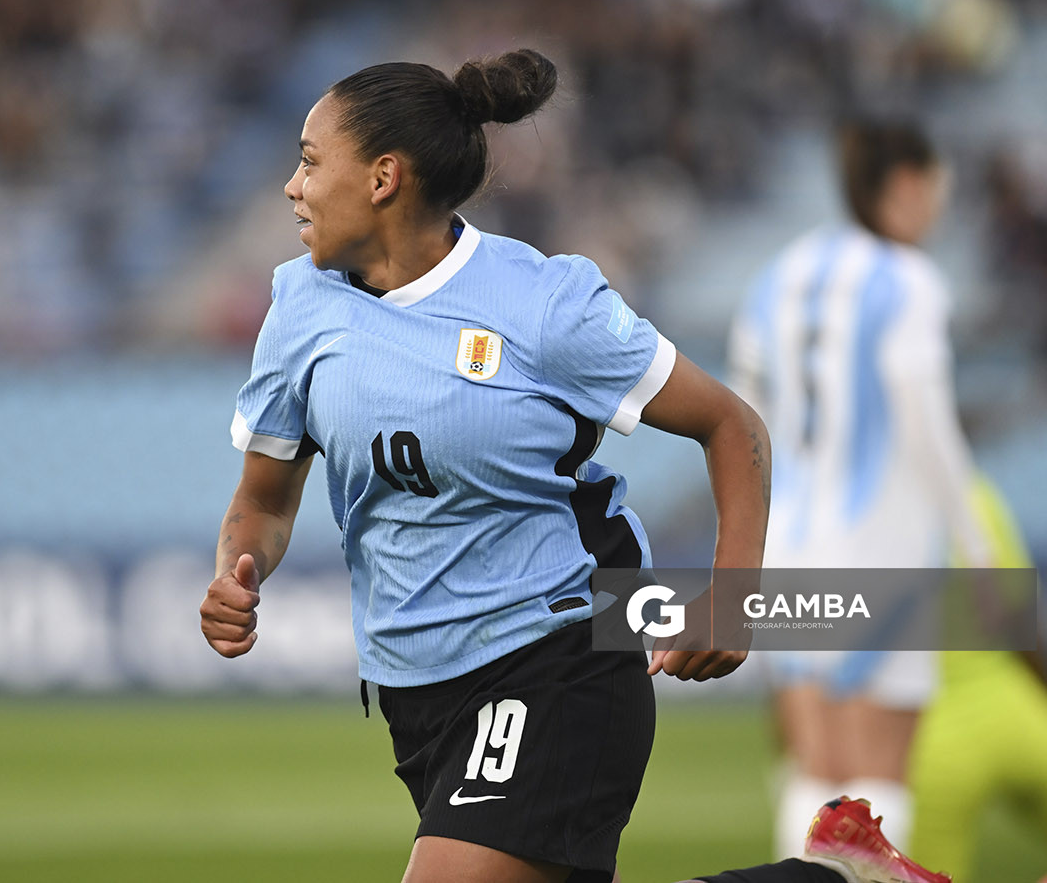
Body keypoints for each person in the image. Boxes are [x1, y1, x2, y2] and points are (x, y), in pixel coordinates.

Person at [199, 50, 951, 883]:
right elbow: (262, 503)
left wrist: (733, 598)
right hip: (416, 690)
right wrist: (238, 570)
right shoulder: (300, 307)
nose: (292, 186)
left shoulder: (543, 303)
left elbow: (731, 424)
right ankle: (841, 879)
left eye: (309, 161)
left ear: (384, 177)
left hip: (560, 652)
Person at [726, 119, 991, 859]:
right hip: (883, 545)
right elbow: (925, 416)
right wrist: (978, 545)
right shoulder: (908, 278)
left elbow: (743, 415)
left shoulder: (777, 274)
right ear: (907, 183)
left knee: (815, 774)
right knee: (877, 776)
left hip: (788, 547)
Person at [908, 475, 1047, 881]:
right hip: (1017, 711)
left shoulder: (856, 512)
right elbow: (1021, 617)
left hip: (927, 740)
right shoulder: (975, 496)